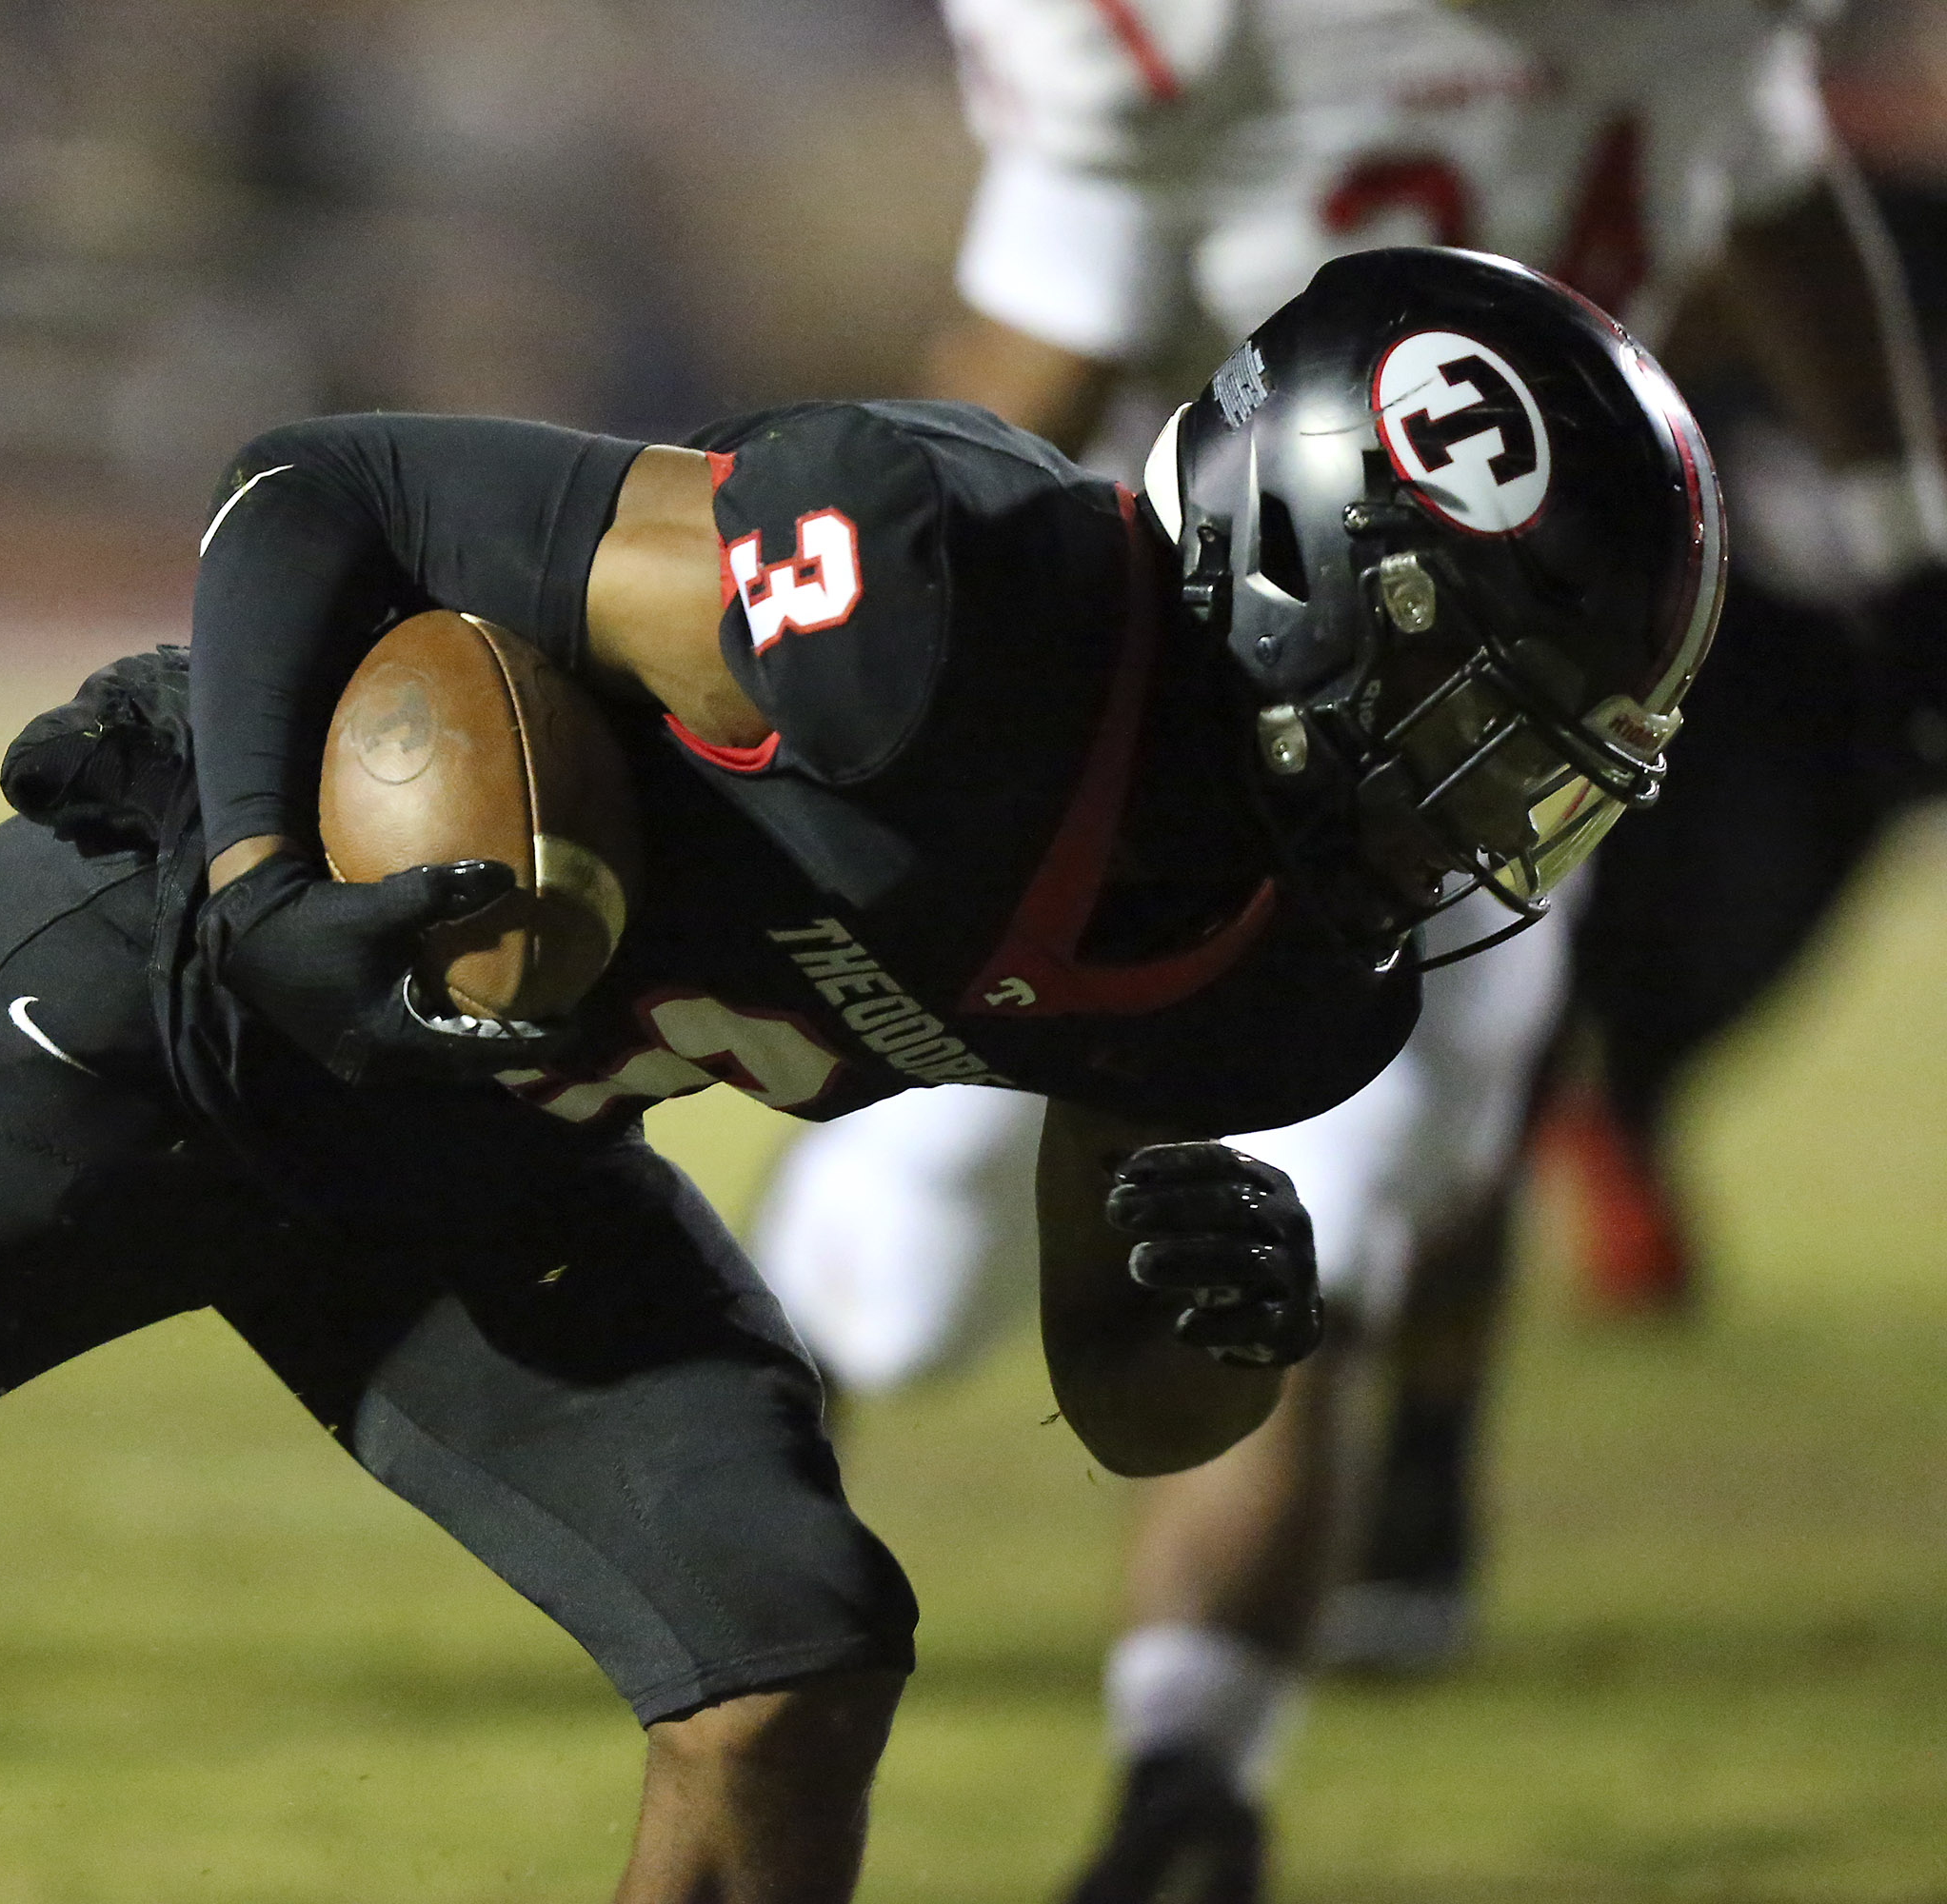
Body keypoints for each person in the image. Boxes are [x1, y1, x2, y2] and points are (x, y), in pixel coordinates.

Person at [0, 247, 1719, 1900]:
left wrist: (1222, 1324)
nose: (1500, 802)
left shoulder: (1289, 967)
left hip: (478, 1128)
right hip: (167, 988)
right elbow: (322, 488)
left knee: (787, 1658)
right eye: (1483, 713)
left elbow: (1119, 1390)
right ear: (1299, 577)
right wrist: (263, 885)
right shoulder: (943, 597)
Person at [747, 2, 1925, 1895]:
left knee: (1292, 1248)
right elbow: (1012, 398)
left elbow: (1783, 197)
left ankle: (1190, 1767)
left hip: (1389, 710)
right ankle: (753, 1607)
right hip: (1222, 678)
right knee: (920, 1270)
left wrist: (1906, 533)